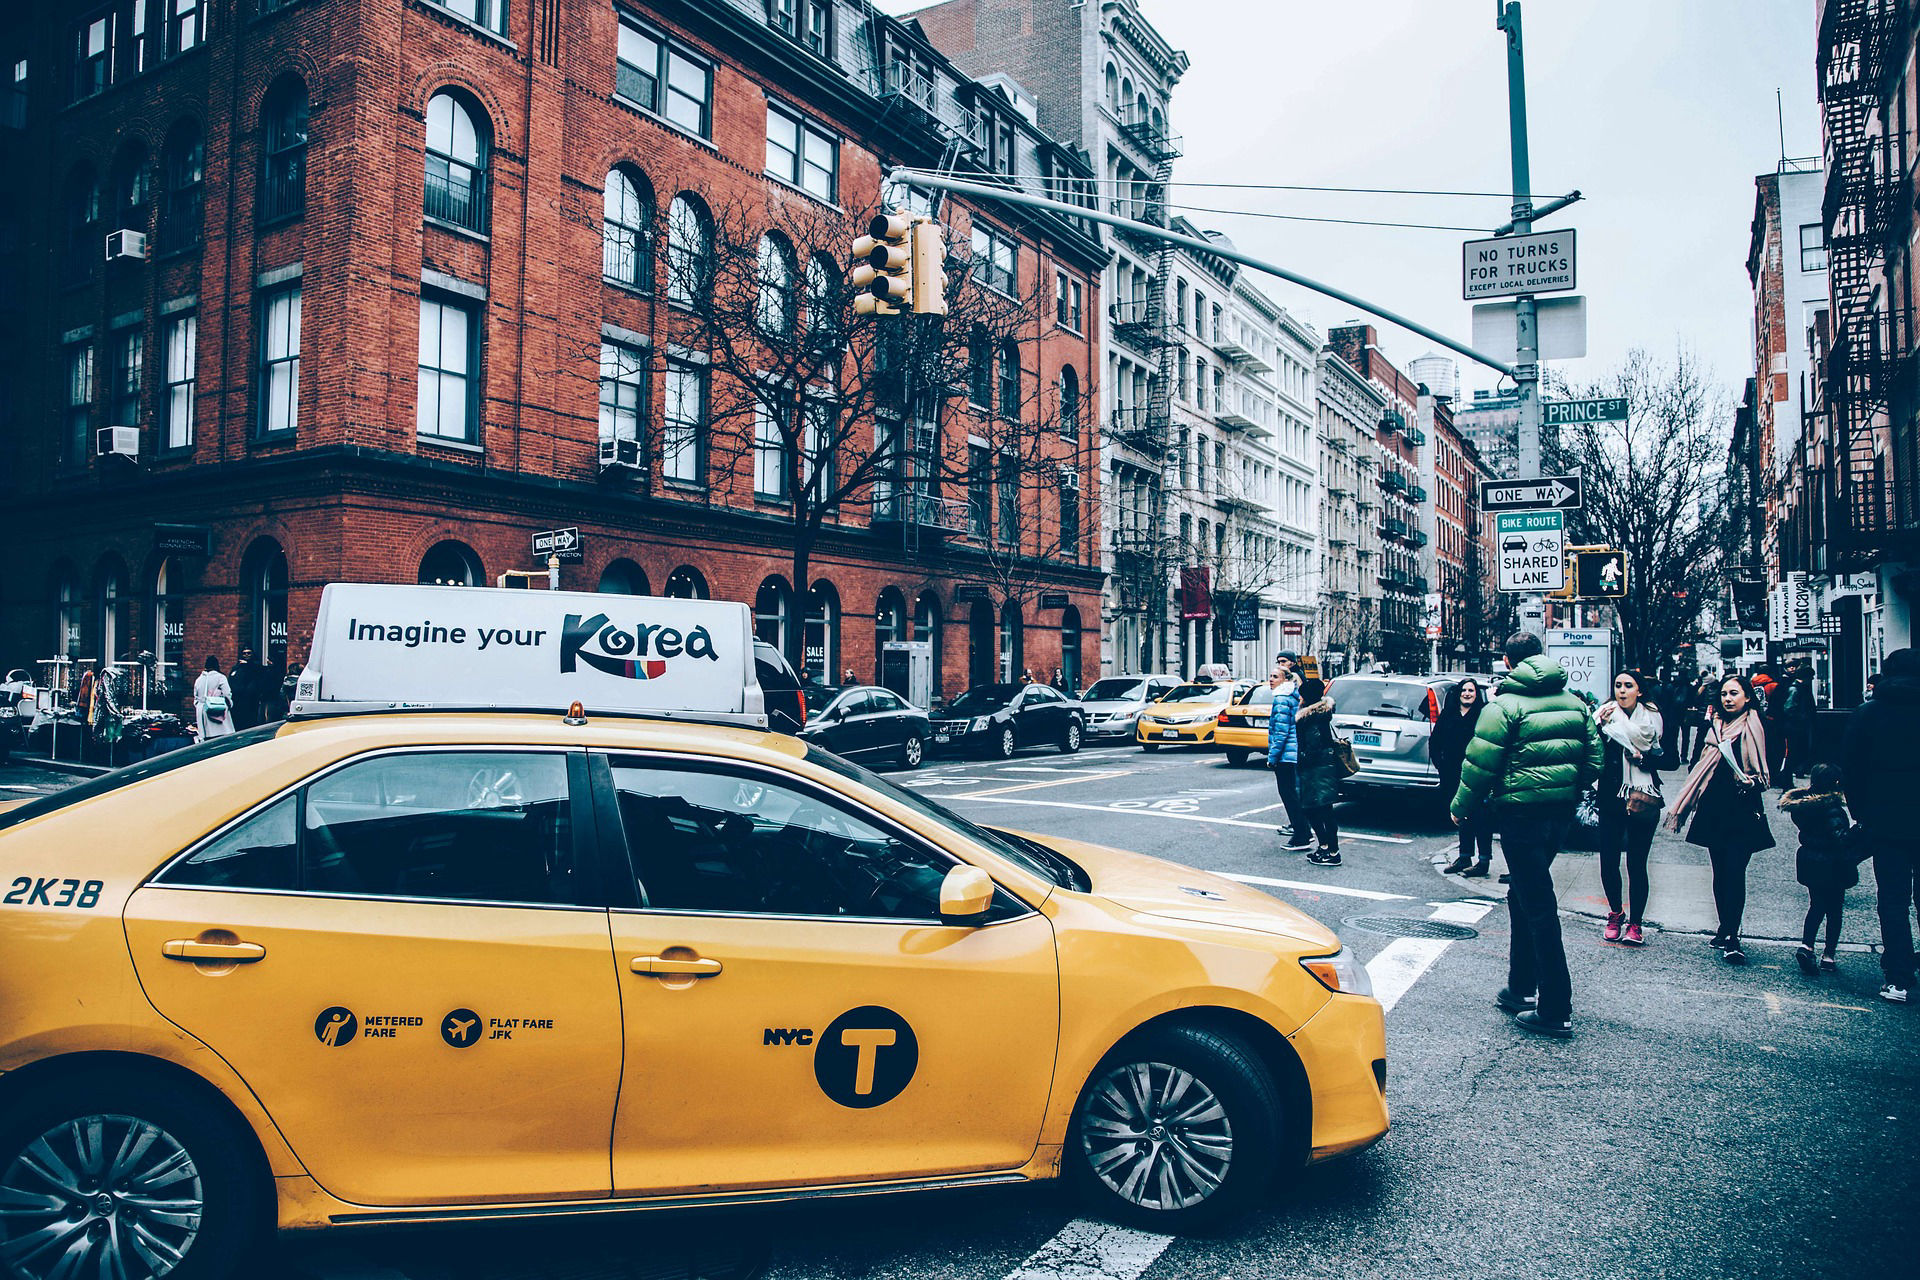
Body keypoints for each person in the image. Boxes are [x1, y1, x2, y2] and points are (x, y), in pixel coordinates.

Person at [1451, 632, 1603, 1039]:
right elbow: (1595, 759)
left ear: (1507, 660)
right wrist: (1568, 788)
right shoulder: (1576, 703)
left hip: (1520, 815)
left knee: (1538, 905)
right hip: (1560, 814)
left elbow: (1480, 764)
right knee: (1521, 894)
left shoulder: (1504, 705)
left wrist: (1461, 808)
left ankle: (1555, 1007)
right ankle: (1521, 986)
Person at [1665, 673, 1772, 966]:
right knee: (1720, 871)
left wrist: (1752, 781)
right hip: (1714, 806)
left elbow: (1766, 770)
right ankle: (1724, 926)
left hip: (1743, 806)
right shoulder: (1713, 726)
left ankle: (1733, 936)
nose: (1728, 698)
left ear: (1747, 697)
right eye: (1724, 693)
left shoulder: (1755, 726)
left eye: (1734, 693)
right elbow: (1700, 762)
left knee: (1735, 871)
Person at [1843, 646, 1920, 1003]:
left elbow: (1852, 769)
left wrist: (1862, 813)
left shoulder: (1869, 714)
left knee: (1892, 898)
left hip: (1886, 820)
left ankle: (1898, 976)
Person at [1594, 670, 1665, 946]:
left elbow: (1671, 758)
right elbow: (1594, 752)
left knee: (1636, 863)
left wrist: (1644, 759)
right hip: (1611, 795)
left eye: (1628, 686)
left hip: (1643, 795)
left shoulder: (1653, 719)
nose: (1622, 691)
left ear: (1640, 691)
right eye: (1618, 686)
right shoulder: (1604, 717)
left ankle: (1636, 924)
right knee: (1608, 860)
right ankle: (1615, 913)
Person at [1779, 763, 1857, 977]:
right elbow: (1840, 837)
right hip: (1832, 863)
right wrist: (1857, 832)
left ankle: (1807, 945)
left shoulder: (1804, 807)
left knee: (1816, 905)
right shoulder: (1831, 808)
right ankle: (1829, 955)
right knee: (1835, 909)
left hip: (1810, 860)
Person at [1433, 678, 1493, 877]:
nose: (1467, 694)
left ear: (1477, 694)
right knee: (1462, 815)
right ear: (1458, 693)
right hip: (1453, 773)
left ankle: (1483, 861)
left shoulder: (1483, 715)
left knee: (1482, 816)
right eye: (1464, 690)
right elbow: (1435, 742)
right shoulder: (1449, 714)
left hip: (1477, 772)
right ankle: (1464, 856)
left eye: (1471, 690)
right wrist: (1441, 766)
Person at [1293, 675, 1342, 865]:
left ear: (1307, 698)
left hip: (1317, 770)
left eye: (1302, 696)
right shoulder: (1319, 715)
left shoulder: (1311, 719)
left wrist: (1301, 759)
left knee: (1318, 809)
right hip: (1322, 768)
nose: (1299, 700)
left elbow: (1312, 747)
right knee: (1320, 809)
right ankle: (1326, 848)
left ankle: (1331, 851)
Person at [1265, 664, 1310, 851]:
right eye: (1271, 675)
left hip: (1286, 756)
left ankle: (1301, 835)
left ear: (1285, 680)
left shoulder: (1282, 699)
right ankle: (1304, 832)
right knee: (1292, 794)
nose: (1271, 679)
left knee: (1288, 795)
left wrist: (1272, 757)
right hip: (1292, 754)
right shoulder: (1291, 696)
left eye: (1276, 676)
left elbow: (1281, 732)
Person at [1781, 667, 1816, 784]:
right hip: (1795, 727)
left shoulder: (1799, 688)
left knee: (1796, 752)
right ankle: (1787, 779)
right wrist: (1802, 717)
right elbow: (1789, 708)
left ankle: (1790, 776)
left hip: (1796, 726)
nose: (1812, 679)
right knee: (1794, 753)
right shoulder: (1795, 689)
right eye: (1811, 676)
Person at [193, 655, 236, 740]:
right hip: (217, 709)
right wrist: (229, 704)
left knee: (207, 738)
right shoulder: (221, 677)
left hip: (202, 710)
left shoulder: (198, 680)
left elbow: (196, 697)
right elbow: (227, 693)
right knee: (221, 737)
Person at [228, 648, 262, 730]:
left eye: (249, 653)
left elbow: (257, 677)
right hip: (237, 701)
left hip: (250, 701)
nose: (246, 655)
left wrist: (247, 665)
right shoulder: (237, 667)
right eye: (244, 653)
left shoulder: (256, 666)